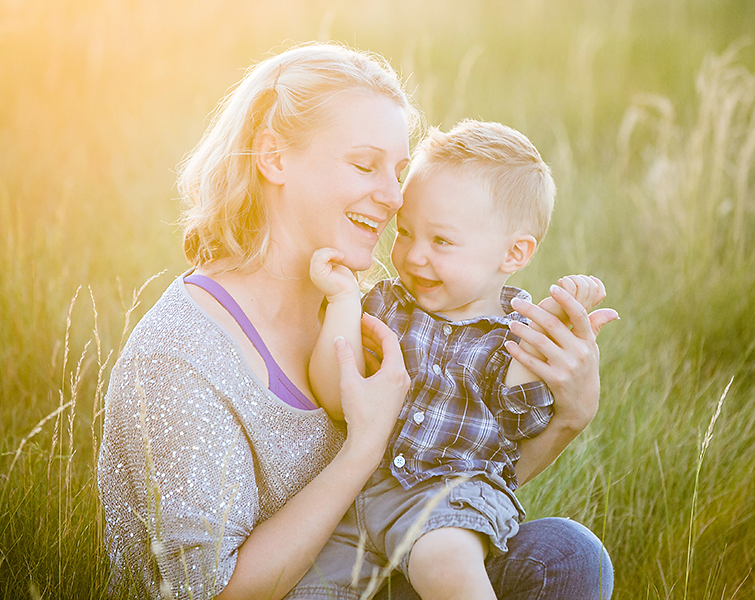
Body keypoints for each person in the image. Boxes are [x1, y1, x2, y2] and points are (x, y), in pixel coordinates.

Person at [97, 42, 616, 600]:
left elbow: (447, 476)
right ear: (273, 158)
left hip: (387, 571)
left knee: (566, 554)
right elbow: (205, 594)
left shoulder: (366, 305)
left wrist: (569, 418)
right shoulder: (181, 355)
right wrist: (363, 446)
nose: (394, 199)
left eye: (397, 172)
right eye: (365, 165)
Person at [302, 120, 609, 600]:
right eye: (406, 233)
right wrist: (343, 300)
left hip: (449, 499)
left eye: (441, 241)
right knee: (310, 586)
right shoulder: (386, 306)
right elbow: (334, 394)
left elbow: (521, 416)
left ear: (513, 253)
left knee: (444, 560)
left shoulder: (510, 333)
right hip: (359, 499)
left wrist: (543, 331)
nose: (414, 256)